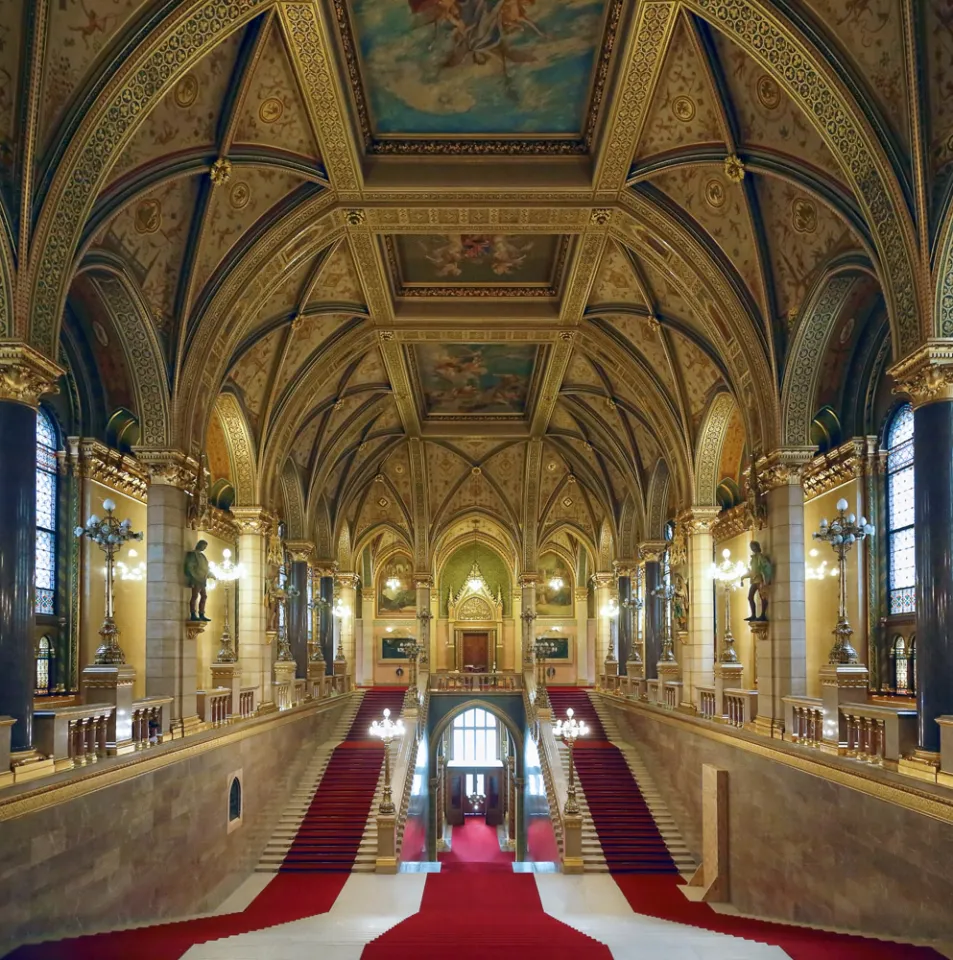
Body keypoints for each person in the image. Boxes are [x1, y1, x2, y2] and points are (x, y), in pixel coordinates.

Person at [741, 541, 772, 621]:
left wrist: (766, 578)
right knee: (750, 597)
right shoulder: (753, 558)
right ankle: (753, 615)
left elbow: (766, 567)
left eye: (753, 547)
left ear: (757, 547)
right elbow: (752, 571)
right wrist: (743, 577)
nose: (752, 548)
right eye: (751, 547)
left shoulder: (760, 557)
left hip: (760, 580)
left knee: (763, 597)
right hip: (754, 580)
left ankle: (763, 615)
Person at [184, 540, 212, 622]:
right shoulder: (193, 554)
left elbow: (206, 568)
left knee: (204, 596)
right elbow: (190, 566)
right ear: (200, 545)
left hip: (202, 579)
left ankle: (201, 613)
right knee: (195, 596)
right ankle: (193, 613)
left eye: (205, 547)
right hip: (196, 579)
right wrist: (194, 576)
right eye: (204, 546)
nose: (204, 548)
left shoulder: (202, 556)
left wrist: (210, 574)